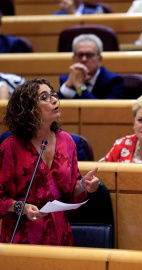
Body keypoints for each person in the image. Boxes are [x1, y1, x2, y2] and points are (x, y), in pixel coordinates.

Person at [0, 78, 100, 245]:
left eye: (53, 95)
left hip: (59, 232)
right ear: (28, 109)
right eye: (45, 97)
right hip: (22, 234)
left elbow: (70, 189)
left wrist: (83, 185)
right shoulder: (10, 147)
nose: (54, 99)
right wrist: (21, 207)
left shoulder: (67, 142)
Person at [59, 34, 124, 99]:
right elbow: (56, 106)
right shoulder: (64, 79)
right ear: (73, 58)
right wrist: (67, 85)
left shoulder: (113, 81)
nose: (84, 59)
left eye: (89, 55)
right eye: (79, 55)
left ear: (99, 59)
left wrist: (80, 86)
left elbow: (103, 109)